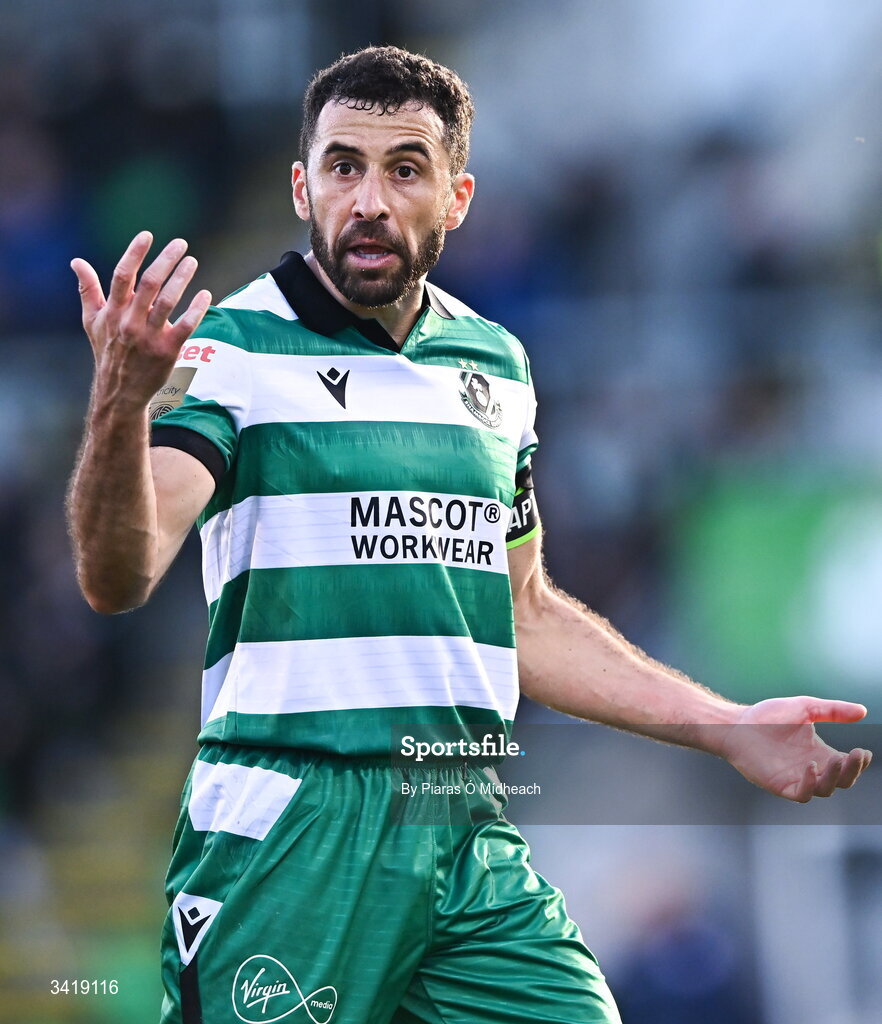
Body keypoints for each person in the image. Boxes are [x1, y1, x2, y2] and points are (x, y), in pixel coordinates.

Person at [67, 46, 871, 1024]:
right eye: (343, 166)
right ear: (299, 185)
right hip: (293, 830)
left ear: (457, 197)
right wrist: (120, 402)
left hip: (455, 818)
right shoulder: (232, 348)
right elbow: (119, 572)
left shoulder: (494, 365)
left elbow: (521, 614)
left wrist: (726, 725)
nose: (368, 197)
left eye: (405, 169)